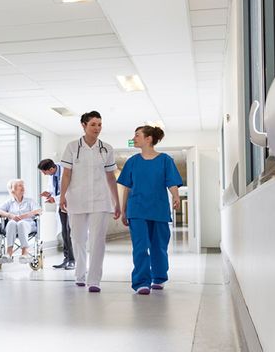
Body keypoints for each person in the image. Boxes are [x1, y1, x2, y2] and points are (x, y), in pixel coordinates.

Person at [59, 111, 121, 293]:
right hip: (76, 199)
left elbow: (111, 177)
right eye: (93, 124)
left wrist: (116, 202)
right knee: (77, 239)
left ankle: (94, 280)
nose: (97, 128)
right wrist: (62, 196)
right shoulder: (72, 147)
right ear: (84, 125)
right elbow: (67, 174)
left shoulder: (107, 148)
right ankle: (80, 273)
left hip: (101, 200)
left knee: (97, 240)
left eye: (100, 124)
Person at [117, 126, 182, 295]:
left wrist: (176, 196)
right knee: (140, 246)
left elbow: (172, 181)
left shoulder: (165, 160)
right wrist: (123, 210)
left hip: (159, 208)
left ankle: (159, 277)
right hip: (137, 209)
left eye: (137, 135)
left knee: (159, 246)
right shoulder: (132, 161)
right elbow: (127, 188)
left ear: (149, 139)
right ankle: (141, 282)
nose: (134, 138)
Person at [38, 159, 74, 270]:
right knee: (64, 232)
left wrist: (56, 198)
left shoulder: (66, 171)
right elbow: (55, 189)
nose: (44, 174)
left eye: (45, 172)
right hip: (62, 205)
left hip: (71, 203)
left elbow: (69, 189)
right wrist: (49, 194)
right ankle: (67, 258)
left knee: (70, 232)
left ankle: (73, 260)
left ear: (52, 168)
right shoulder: (52, 174)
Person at [0, 179, 40, 263]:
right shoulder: (9, 202)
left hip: (28, 225)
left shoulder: (30, 201)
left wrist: (24, 216)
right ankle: (9, 253)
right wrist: (10, 215)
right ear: (12, 189)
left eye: (23, 185)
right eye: (19, 185)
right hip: (13, 227)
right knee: (11, 222)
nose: (23, 187)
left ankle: (25, 252)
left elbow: (39, 211)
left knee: (21, 223)